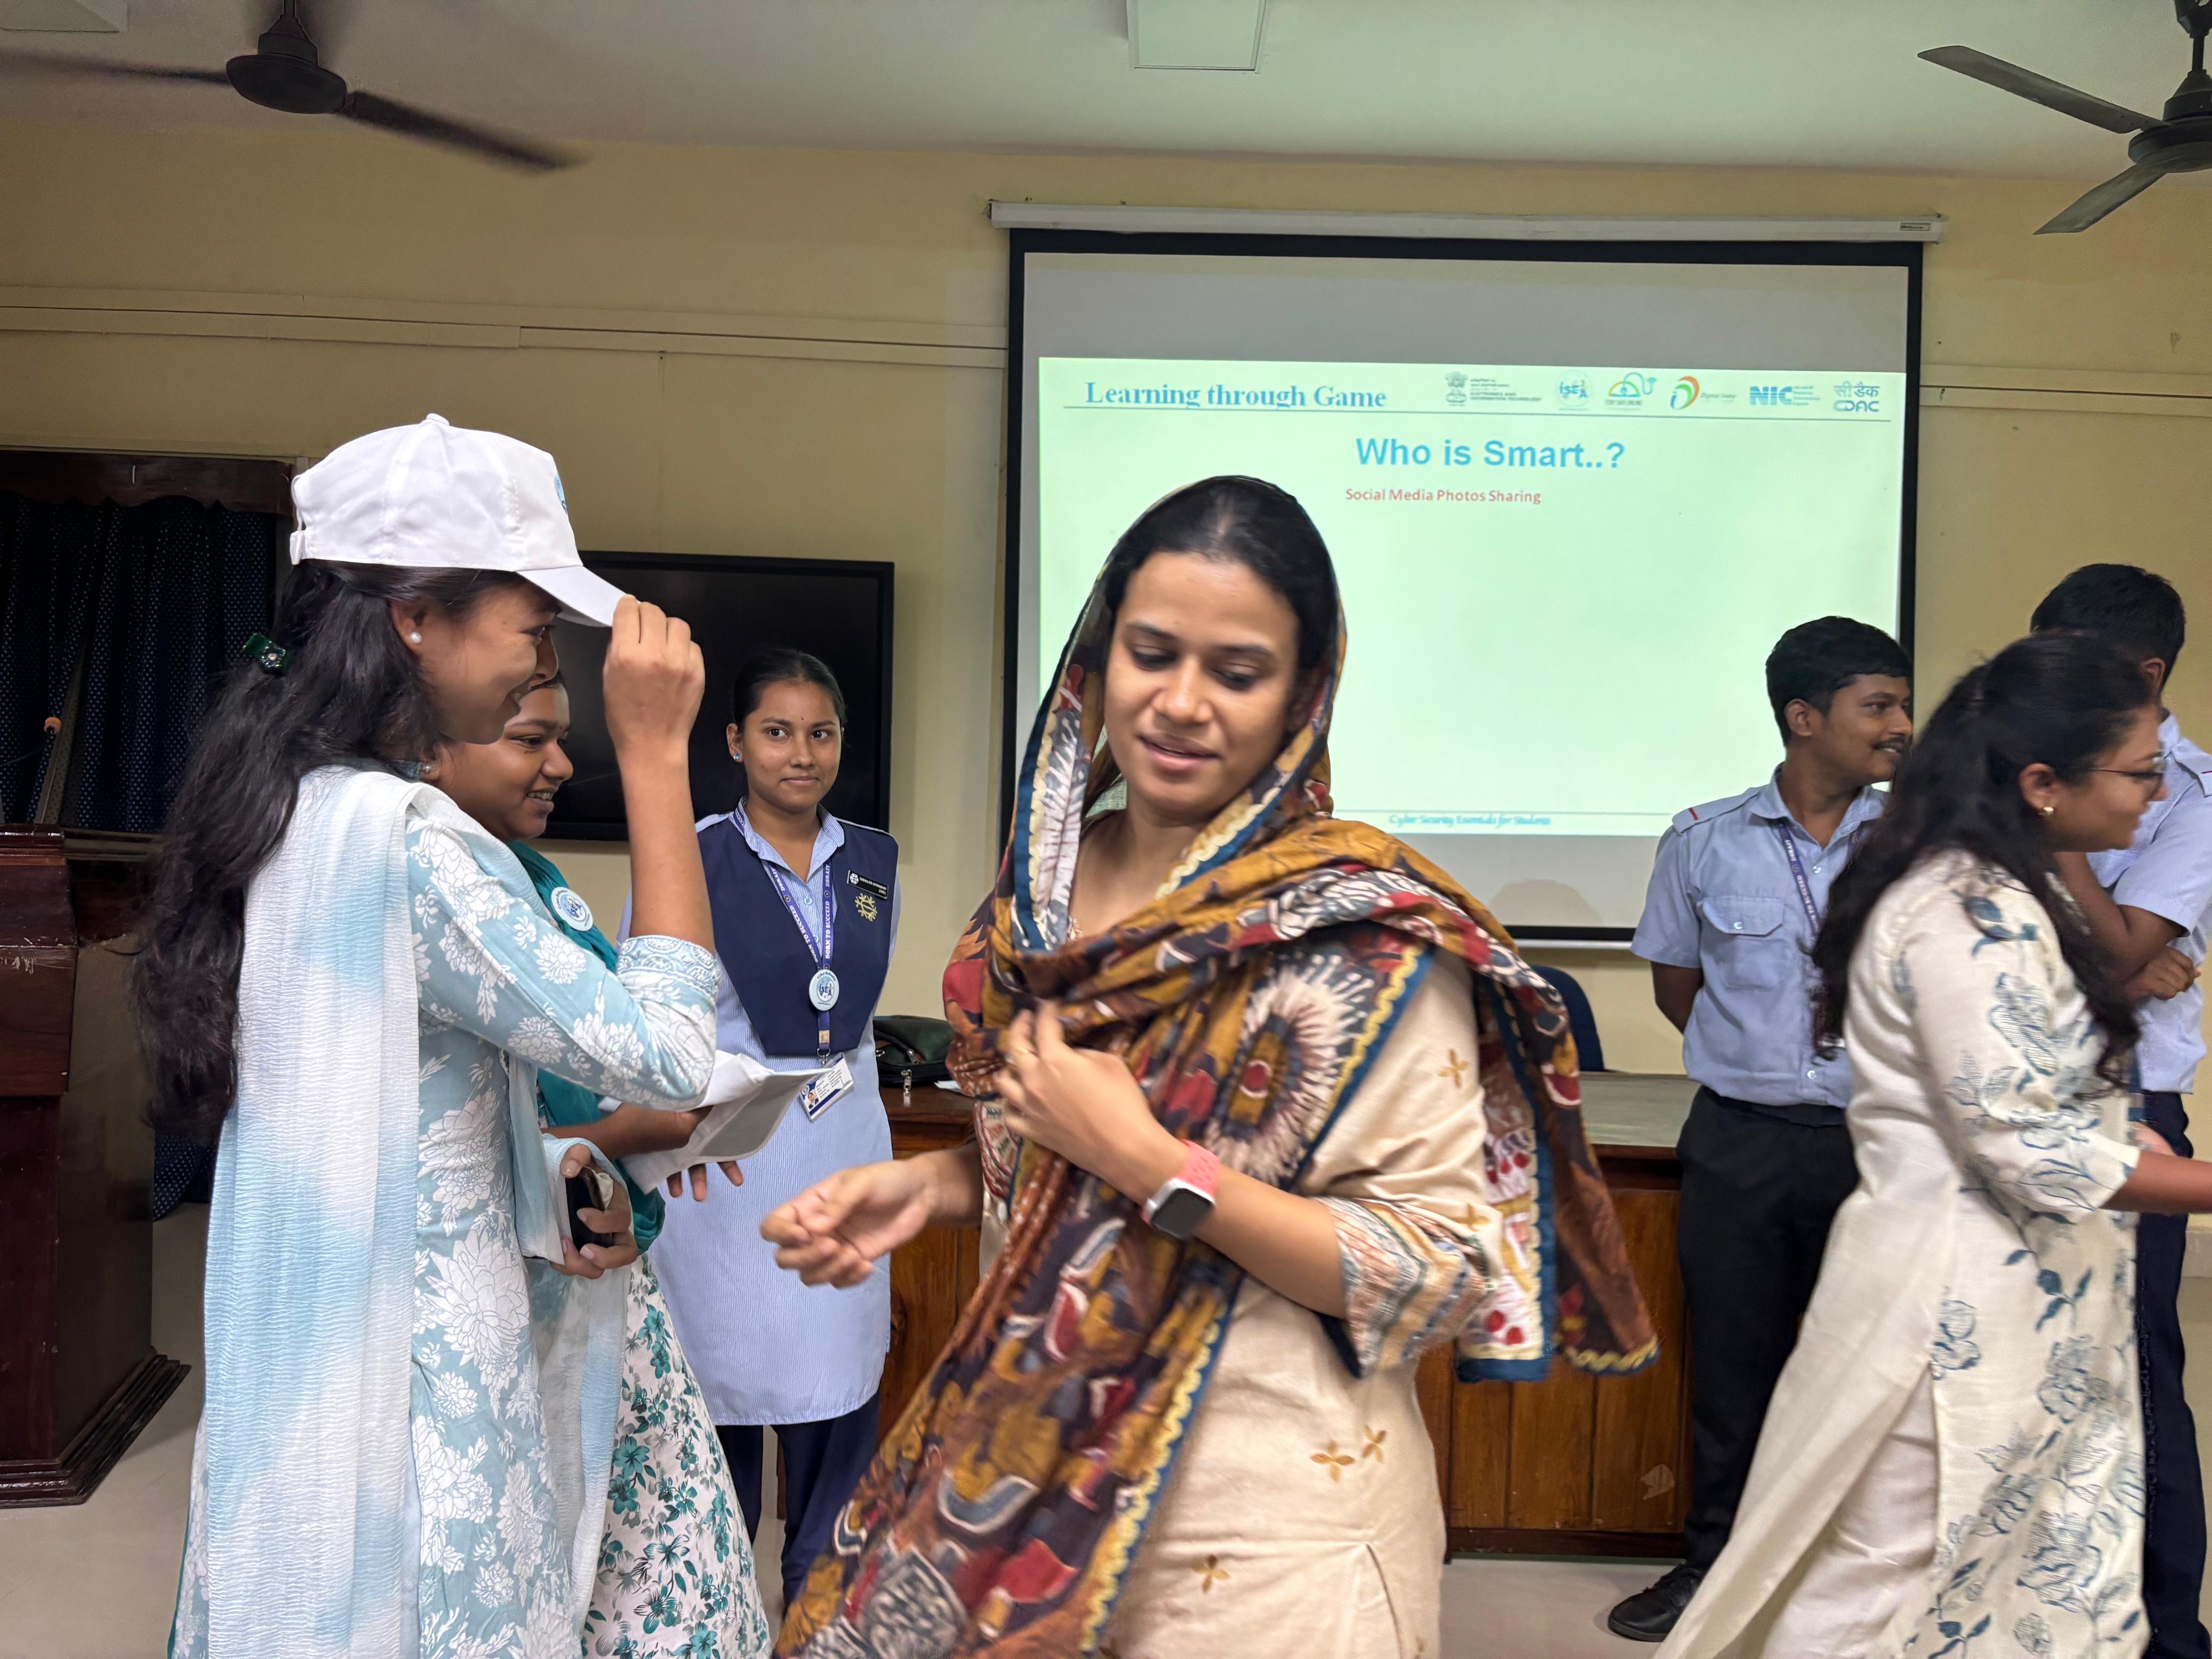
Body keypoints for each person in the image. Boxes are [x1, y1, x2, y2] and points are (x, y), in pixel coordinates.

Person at [761, 476, 1654, 1658]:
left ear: (1304, 692)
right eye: (1151, 654)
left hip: (1270, 1530)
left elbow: (1438, 1269)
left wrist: (1151, 1163)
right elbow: (1052, 1146)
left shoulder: (1363, 940)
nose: (1181, 704)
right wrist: (932, 1186)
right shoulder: (1034, 907)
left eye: (1237, 672)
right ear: (1098, 659)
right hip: (1036, 1498)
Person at [131, 414, 723, 1659]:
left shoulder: (297, 810)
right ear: (416, 619)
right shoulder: (414, 846)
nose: (546, 659)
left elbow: (417, 1109)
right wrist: (658, 758)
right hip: (422, 1382)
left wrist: (555, 1165)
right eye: (533, 626)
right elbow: (670, 1054)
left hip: (324, 1353)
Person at [1656, 629, 2212, 1656]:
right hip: (1955, 1313)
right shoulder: (1967, 912)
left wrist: (2110, 1120)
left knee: (2018, 1581)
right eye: (2139, 771)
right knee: (1896, 1588)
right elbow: (2028, 1146)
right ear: (2044, 783)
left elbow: (2026, 1090)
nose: (2155, 792)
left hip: (2027, 1305)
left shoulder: (2012, 892)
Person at [421, 672, 774, 1659]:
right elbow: (448, 1159)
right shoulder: (440, 897)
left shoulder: (533, 883)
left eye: (564, 738)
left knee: (675, 1572)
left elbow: (571, 1103)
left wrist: (651, 1147)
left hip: (608, 1298)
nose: (562, 766)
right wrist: (629, 1132)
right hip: (500, 1325)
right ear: (429, 749)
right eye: (530, 739)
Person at [1610, 616, 1913, 1641]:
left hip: (1878, 1145)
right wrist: (1763, 1062)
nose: (1900, 726)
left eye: (1902, 704)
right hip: (1740, 1140)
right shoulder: (1704, 839)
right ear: (1804, 717)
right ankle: (1713, 1567)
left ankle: (1847, 1582)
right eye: (1879, 705)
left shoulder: (1918, 843)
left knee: (1868, 1370)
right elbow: (1679, 988)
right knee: (1733, 1369)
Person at [636, 646, 900, 1618]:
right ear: (736, 742)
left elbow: (855, 1021)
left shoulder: (873, 862)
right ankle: (715, 1621)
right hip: (729, 1180)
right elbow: (651, 1022)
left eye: (820, 733)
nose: (802, 753)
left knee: (839, 1425)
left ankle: (820, 1623)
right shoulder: (689, 856)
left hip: (843, 1163)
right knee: (719, 1436)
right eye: (778, 732)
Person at [2034, 563, 2212, 1659]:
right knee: (2021, 1374)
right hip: (2010, 1092)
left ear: (2145, 673)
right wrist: (2123, 955)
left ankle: (2168, 1634)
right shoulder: (2028, 771)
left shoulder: (2189, 794)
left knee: (2134, 1371)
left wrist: (2049, 831)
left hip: (2130, 1097)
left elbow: (2126, 950)